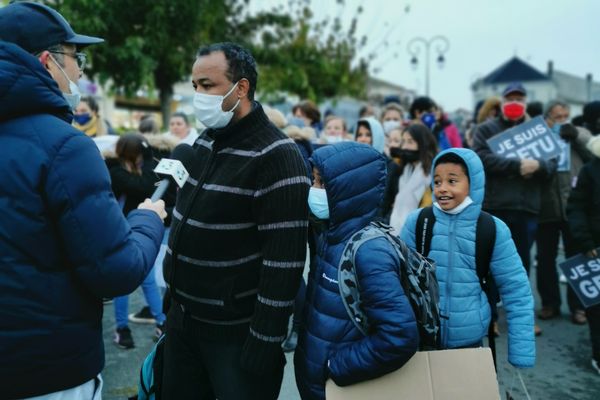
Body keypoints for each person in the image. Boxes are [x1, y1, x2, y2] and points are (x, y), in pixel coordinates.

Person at [0, 3, 166, 399]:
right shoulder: (65, 147)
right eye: (76, 58)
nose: (80, 71)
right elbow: (116, 270)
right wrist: (148, 221)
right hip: (48, 370)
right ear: (47, 61)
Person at [161, 42, 310, 399]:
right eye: (195, 85)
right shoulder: (205, 140)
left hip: (235, 339)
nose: (198, 95)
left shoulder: (278, 155)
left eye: (207, 85)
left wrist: (263, 343)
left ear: (240, 88)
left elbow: (285, 261)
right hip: (183, 326)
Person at [295, 141, 419, 400]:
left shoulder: (369, 251)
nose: (314, 190)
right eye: (313, 181)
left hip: (346, 388)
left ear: (350, 191)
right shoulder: (329, 234)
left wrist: (335, 366)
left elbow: (398, 336)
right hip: (320, 386)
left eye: (322, 183)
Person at [400, 148, 536, 368]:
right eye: (437, 181)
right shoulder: (418, 222)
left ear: (473, 184)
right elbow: (396, 276)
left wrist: (521, 351)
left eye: (452, 181)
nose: (442, 188)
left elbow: (516, 290)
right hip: (419, 338)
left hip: (469, 341)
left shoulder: (492, 229)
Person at [471, 82, 557, 336]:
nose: (515, 103)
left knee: (521, 266)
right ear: (502, 102)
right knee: (489, 264)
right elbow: (480, 158)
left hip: (527, 208)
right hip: (496, 206)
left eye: (519, 98)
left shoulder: (539, 132)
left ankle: (523, 320)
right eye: (510, 98)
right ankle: (491, 318)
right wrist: (517, 165)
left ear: (526, 102)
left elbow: (552, 164)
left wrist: (538, 167)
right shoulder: (486, 129)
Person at [106, 133, 168, 348]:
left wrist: (148, 157)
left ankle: (161, 322)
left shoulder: (141, 167)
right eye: (137, 154)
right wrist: (151, 159)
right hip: (118, 230)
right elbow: (144, 186)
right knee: (122, 283)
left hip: (137, 229)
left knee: (148, 279)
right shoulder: (114, 170)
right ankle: (123, 329)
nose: (139, 158)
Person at [536, 101, 592, 324]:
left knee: (577, 258)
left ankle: (578, 307)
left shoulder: (580, 133)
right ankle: (550, 303)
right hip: (546, 206)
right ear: (547, 118)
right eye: (557, 117)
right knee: (545, 259)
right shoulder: (538, 138)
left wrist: (575, 137)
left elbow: (593, 156)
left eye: (565, 116)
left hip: (573, 207)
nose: (562, 120)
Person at [566, 135, 600, 374]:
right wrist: (586, 242)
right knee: (597, 308)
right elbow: (576, 208)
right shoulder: (590, 172)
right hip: (595, 249)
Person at [386, 124, 437, 230]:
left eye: (410, 142)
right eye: (403, 142)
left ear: (422, 144)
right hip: (394, 230)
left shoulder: (433, 174)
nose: (404, 147)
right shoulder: (404, 170)